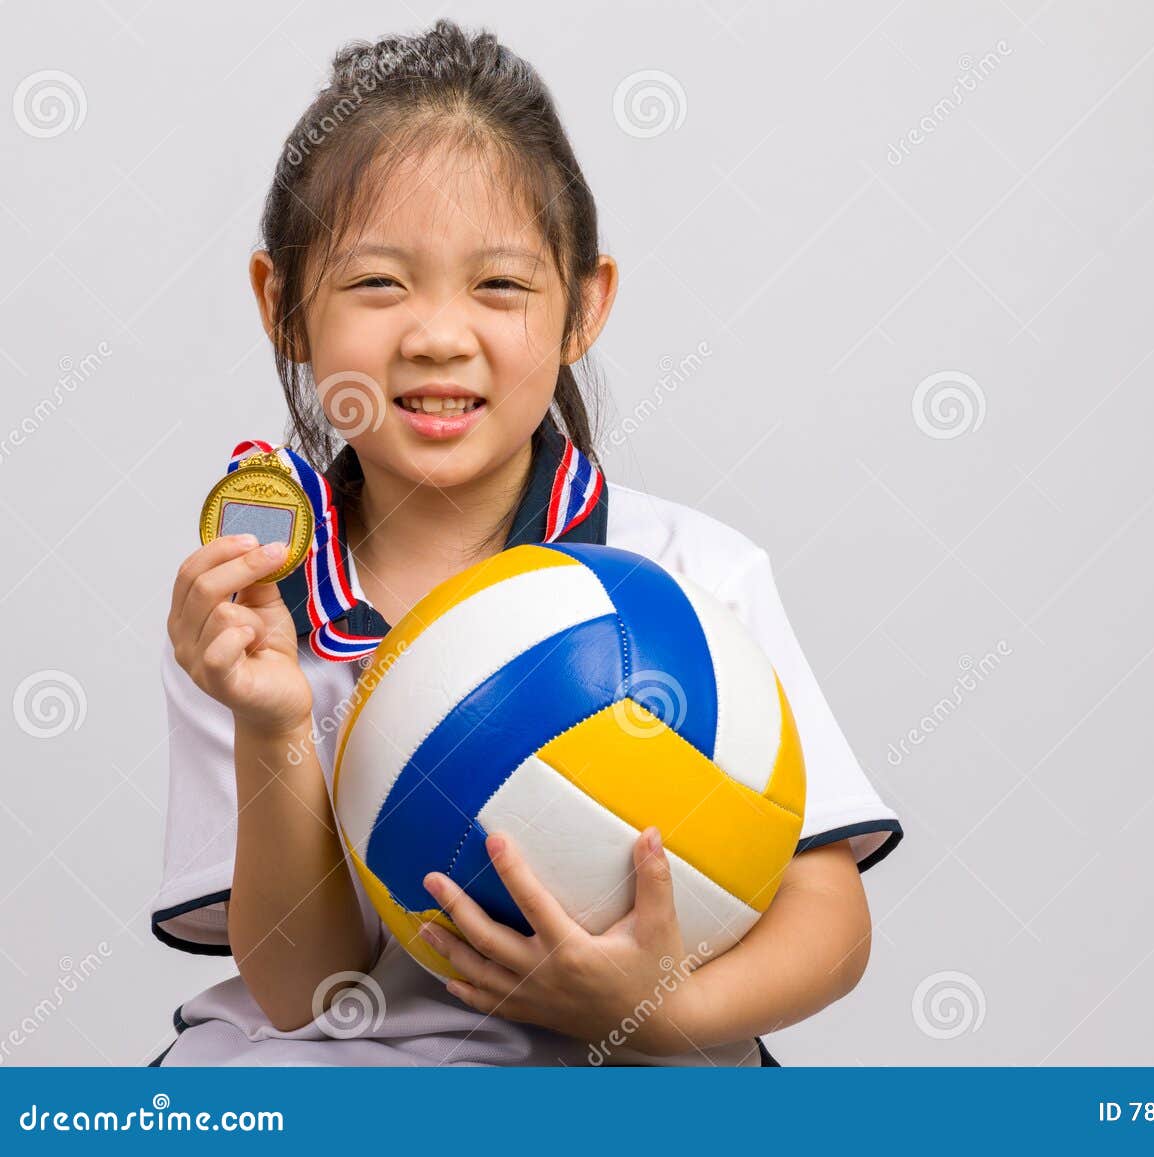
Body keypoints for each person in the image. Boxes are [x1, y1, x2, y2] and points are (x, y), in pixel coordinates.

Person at [149, 18, 901, 1067]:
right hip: (350, 1061)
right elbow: (301, 988)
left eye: (498, 285)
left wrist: (654, 1011)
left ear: (583, 306)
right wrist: (273, 723)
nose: (437, 333)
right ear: (283, 305)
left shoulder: (693, 578)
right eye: (377, 282)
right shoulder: (248, 611)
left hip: (636, 1065)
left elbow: (830, 921)